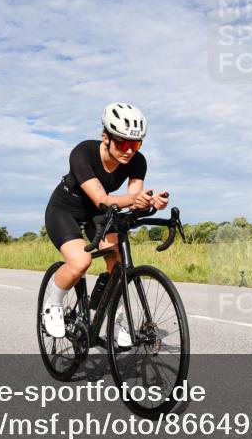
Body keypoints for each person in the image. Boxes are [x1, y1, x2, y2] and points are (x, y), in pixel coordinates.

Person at [42, 103, 169, 344]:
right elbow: (101, 199)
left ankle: (116, 316)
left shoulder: (137, 161)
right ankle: (53, 304)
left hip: (99, 214)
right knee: (81, 261)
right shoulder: (83, 153)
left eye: (136, 144)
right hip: (65, 210)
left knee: (118, 265)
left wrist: (149, 202)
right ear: (105, 137)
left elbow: (134, 201)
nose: (129, 151)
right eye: (122, 143)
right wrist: (133, 199)